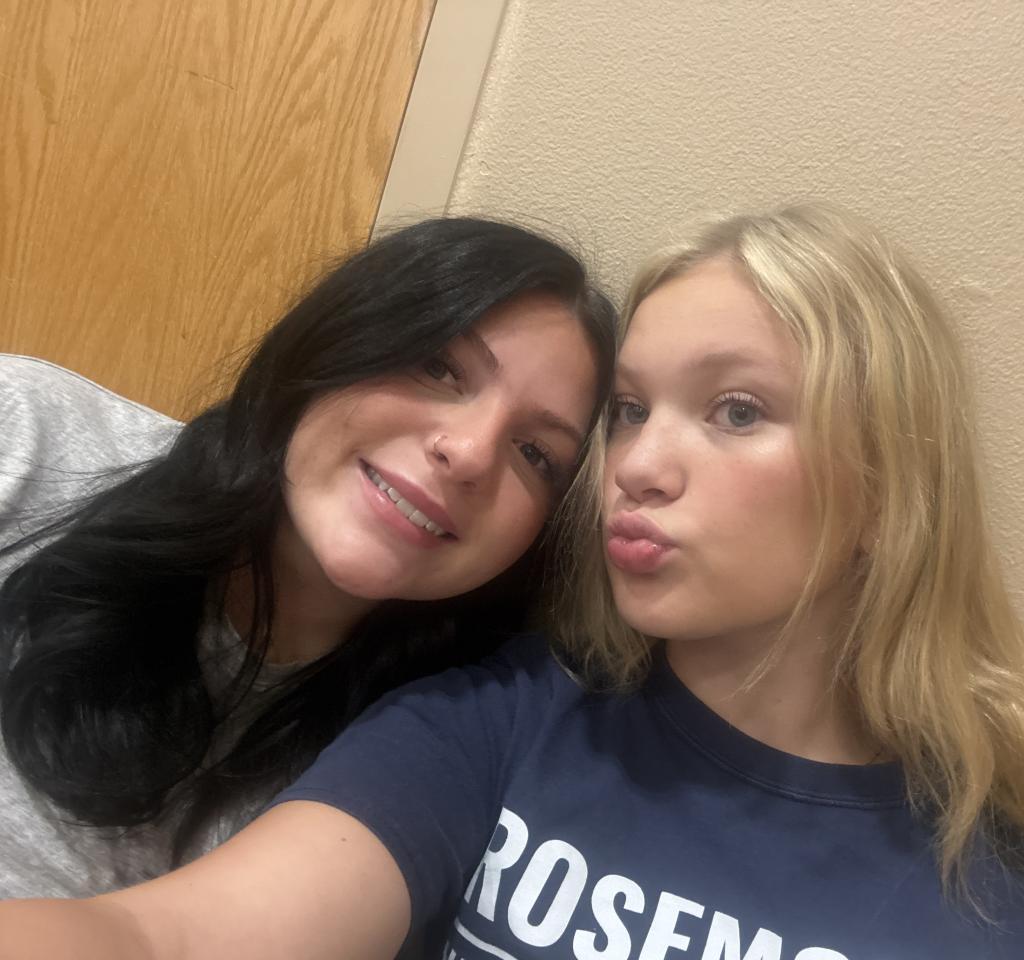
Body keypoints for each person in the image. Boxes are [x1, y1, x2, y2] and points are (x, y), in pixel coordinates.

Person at [0, 203, 1024, 959]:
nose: (638, 466)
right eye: (627, 413)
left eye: (735, 410)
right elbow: (170, 941)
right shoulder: (498, 719)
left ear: (886, 487)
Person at [0, 216, 617, 900]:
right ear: (335, 341)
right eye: (437, 366)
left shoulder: (447, 757)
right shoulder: (26, 435)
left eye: (536, 454)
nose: (469, 452)